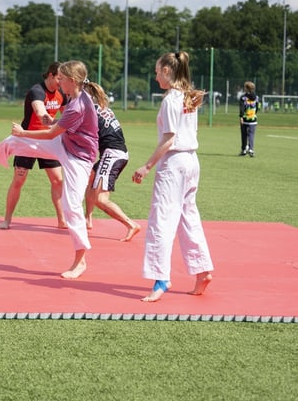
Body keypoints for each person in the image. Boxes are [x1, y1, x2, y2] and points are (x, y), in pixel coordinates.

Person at [0, 60, 98, 279]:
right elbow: (59, 126)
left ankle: (80, 260)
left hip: (79, 158)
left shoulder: (78, 104)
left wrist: (24, 133)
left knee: (71, 205)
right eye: (58, 78)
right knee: (12, 142)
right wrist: (46, 123)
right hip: (66, 144)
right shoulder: (78, 97)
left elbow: (50, 134)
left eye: (62, 79)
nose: (59, 82)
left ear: (72, 81)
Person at [131, 51, 214, 302]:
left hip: (175, 164)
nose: (156, 77)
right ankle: (202, 271)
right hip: (191, 162)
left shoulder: (171, 100)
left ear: (167, 70)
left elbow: (169, 139)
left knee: (162, 219)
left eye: (158, 72)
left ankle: (161, 278)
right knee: (189, 217)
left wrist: (146, 166)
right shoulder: (189, 97)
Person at [0, 62, 68, 230]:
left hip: (48, 141)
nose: (61, 82)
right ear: (50, 75)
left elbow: (67, 115)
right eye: (59, 78)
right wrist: (48, 119)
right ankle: (7, 220)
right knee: (19, 180)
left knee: (58, 180)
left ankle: (62, 220)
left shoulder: (62, 93)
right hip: (27, 141)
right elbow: (40, 111)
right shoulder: (37, 90)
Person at [82, 81, 141, 242]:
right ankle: (87, 219)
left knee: (101, 199)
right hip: (117, 153)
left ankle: (130, 224)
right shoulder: (103, 108)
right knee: (91, 177)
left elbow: (71, 125)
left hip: (112, 154)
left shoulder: (89, 109)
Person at [239, 81, 258, 157]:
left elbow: (242, 108)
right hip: (253, 118)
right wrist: (254, 114)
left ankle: (244, 149)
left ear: (247, 88)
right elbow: (257, 107)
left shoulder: (243, 98)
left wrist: (241, 116)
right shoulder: (256, 97)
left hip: (245, 119)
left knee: (244, 135)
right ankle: (251, 149)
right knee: (251, 135)